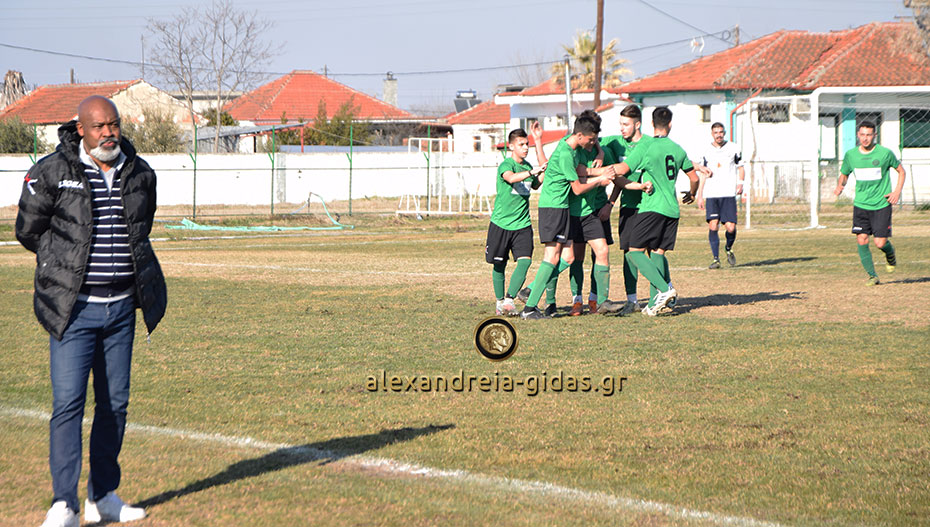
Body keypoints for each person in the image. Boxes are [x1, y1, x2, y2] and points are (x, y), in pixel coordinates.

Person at [16, 96, 167, 527]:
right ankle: (64, 503)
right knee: (68, 404)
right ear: (80, 128)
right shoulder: (52, 172)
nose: (109, 133)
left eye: (114, 125)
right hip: (74, 311)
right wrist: (60, 268)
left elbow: (142, 227)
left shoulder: (140, 172)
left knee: (114, 404)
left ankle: (104, 497)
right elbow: (28, 230)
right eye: (99, 126)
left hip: (121, 309)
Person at [520, 114, 651, 320]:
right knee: (556, 257)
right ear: (580, 135)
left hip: (563, 208)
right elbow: (578, 187)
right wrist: (599, 180)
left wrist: (599, 152)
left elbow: (584, 168)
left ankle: (598, 301)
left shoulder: (571, 146)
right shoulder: (567, 153)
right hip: (556, 209)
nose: (593, 142)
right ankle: (532, 304)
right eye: (591, 139)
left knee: (573, 255)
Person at [607, 106, 699, 316]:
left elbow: (623, 169)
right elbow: (694, 178)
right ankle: (652, 304)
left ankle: (665, 290)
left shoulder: (647, 147)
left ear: (650, 124)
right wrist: (692, 194)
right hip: (672, 210)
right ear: (670, 124)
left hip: (651, 208)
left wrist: (599, 172)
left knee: (634, 251)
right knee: (657, 252)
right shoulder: (678, 149)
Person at [566, 109, 624, 316]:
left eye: (596, 137)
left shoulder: (603, 150)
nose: (593, 140)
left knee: (601, 253)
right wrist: (598, 173)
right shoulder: (573, 148)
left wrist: (609, 204)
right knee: (576, 257)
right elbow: (579, 174)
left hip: (597, 210)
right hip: (575, 210)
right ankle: (576, 300)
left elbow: (617, 177)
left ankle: (597, 299)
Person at [834, 120, 906, 286]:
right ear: (858, 135)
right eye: (862, 135)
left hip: (881, 204)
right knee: (862, 239)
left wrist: (896, 192)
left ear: (875, 135)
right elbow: (844, 174)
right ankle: (872, 276)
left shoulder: (884, 153)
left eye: (869, 135)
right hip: (861, 204)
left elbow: (901, 171)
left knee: (880, 242)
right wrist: (840, 185)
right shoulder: (851, 155)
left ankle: (890, 254)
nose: (865, 138)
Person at [486, 122, 547, 315]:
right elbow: (511, 178)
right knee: (499, 264)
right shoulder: (507, 164)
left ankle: (509, 299)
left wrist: (542, 162)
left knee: (525, 261)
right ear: (511, 146)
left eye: (526, 144)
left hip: (522, 225)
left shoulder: (529, 166)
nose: (525, 147)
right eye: (521, 144)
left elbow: (537, 184)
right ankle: (499, 301)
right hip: (501, 224)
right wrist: (531, 172)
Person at [600, 104, 653, 313]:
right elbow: (591, 140)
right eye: (620, 123)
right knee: (629, 254)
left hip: (650, 206)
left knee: (652, 252)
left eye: (626, 124)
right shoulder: (615, 143)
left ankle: (659, 295)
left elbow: (673, 153)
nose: (622, 128)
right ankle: (632, 300)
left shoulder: (650, 144)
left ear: (637, 124)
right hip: (629, 207)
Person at [696, 122, 745, 268]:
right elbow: (703, 173)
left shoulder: (733, 148)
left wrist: (741, 183)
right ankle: (715, 259)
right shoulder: (706, 150)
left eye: (721, 132)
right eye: (716, 132)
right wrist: (700, 195)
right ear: (712, 134)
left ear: (724, 133)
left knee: (730, 227)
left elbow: (741, 167)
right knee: (713, 225)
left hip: (728, 193)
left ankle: (728, 248)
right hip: (712, 194)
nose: (719, 135)